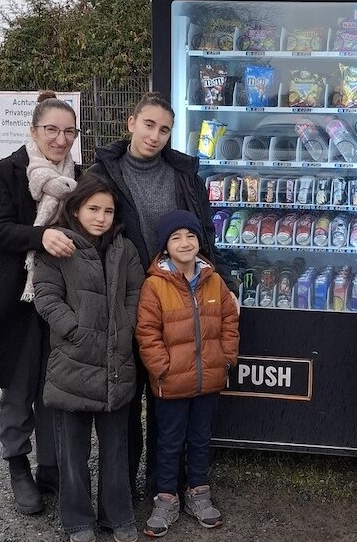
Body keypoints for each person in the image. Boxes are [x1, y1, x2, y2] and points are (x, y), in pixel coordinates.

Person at [89, 92, 236, 498]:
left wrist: (223, 281)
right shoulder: (103, 172)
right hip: (123, 298)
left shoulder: (183, 174)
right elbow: (87, 229)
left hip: (174, 297)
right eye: (149, 124)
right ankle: (120, 494)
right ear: (131, 123)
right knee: (123, 399)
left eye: (165, 129)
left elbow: (202, 233)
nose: (155, 135)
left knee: (166, 397)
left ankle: (162, 488)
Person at [0, 91, 80, 514]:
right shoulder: (7, 172)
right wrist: (41, 236)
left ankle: (51, 467)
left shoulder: (78, 177)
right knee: (18, 386)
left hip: (63, 297)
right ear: (33, 130)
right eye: (52, 130)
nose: (61, 139)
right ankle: (18, 466)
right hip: (17, 295)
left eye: (69, 131)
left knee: (54, 386)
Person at [33, 173, 145, 542]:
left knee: (116, 448)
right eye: (93, 209)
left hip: (115, 361)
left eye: (108, 211)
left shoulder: (123, 248)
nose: (101, 217)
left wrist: (125, 329)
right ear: (77, 208)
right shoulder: (60, 246)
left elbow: (135, 291)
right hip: (73, 362)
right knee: (72, 452)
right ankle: (78, 520)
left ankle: (116, 514)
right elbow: (46, 294)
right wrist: (73, 329)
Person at [135, 209, 239, 536]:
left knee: (199, 439)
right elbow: (147, 332)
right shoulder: (155, 285)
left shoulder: (214, 280)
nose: (185, 242)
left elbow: (229, 321)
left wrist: (226, 358)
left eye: (191, 236)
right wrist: (161, 369)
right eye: (176, 237)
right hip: (171, 383)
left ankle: (199, 492)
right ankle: (166, 499)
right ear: (165, 246)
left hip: (208, 378)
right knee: (168, 442)